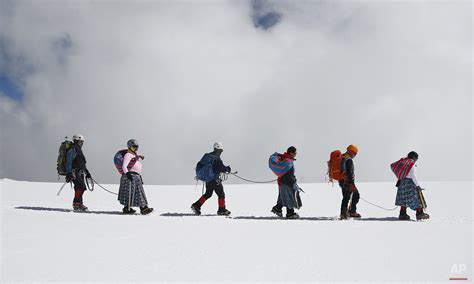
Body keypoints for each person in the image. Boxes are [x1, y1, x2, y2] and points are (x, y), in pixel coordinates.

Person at [191, 142, 232, 216]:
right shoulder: (216, 158)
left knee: (208, 194)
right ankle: (221, 210)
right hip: (214, 179)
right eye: (221, 151)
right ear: (219, 149)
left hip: (208, 179)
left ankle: (196, 205)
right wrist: (228, 169)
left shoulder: (209, 157)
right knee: (221, 194)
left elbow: (216, 167)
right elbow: (222, 168)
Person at [118, 139, 153, 215]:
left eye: (136, 147)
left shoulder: (134, 156)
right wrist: (128, 174)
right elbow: (124, 166)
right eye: (134, 147)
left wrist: (140, 177)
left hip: (136, 177)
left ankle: (137, 208)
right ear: (129, 147)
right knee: (131, 193)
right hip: (130, 177)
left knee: (137, 193)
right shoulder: (128, 155)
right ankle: (141, 208)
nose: (135, 149)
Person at [393, 151, 429, 220]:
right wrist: (418, 186)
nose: (416, 160)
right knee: (417, 198)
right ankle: (420, 213)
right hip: (410, 183)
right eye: (417, 158)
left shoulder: (404, 163)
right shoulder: (411, 164)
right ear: (414, 157)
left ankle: (402, 214)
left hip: (402, 183)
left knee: (403, 199)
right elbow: (413, 176)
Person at [271, 146, 301, 219]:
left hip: (282, 182)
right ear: (291, 153)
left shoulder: (284, 159)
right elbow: (289, 174)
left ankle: (277, 209)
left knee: (283, 197)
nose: (296, 154)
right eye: (295, 153)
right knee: (289, 197)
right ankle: (290, 214)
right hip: (286, 182)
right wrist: (294, 182)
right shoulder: (288, 161)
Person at [65, 134, 92, 211]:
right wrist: (69, 173)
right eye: (80, 142)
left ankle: (79, 203)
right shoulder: (72, 150)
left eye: (82, 142)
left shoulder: (79, 150)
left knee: (78, 188)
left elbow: (82, 163)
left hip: (80, 172)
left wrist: (87, 173)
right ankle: (76, 203)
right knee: (81, 187)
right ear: (76, 141)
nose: (81, 144)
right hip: (74, 172)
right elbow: (68, 162)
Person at [339, 144, 361, 219]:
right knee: (355, 195)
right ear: (351, 152)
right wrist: (351, 183)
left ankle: (345, 213)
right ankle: (350, 212)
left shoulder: (341, 157)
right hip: (347, 181)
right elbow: (349, 172)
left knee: (346, 196)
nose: (354, 155)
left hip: (341, 181)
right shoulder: (348, 160)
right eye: (355, 153)